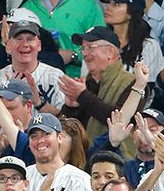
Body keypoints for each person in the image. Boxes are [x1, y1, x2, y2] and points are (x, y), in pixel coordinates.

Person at [59, 26, 145, 156]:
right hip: (86, 161)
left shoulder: (134, 83)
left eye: (90, 47)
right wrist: (71, 108)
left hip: (118, 162)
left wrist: (83, 96)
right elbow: (73, 132)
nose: (85, 53)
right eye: (83, 48)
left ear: (110, 52)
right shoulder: (86, 85)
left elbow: (121, 120)